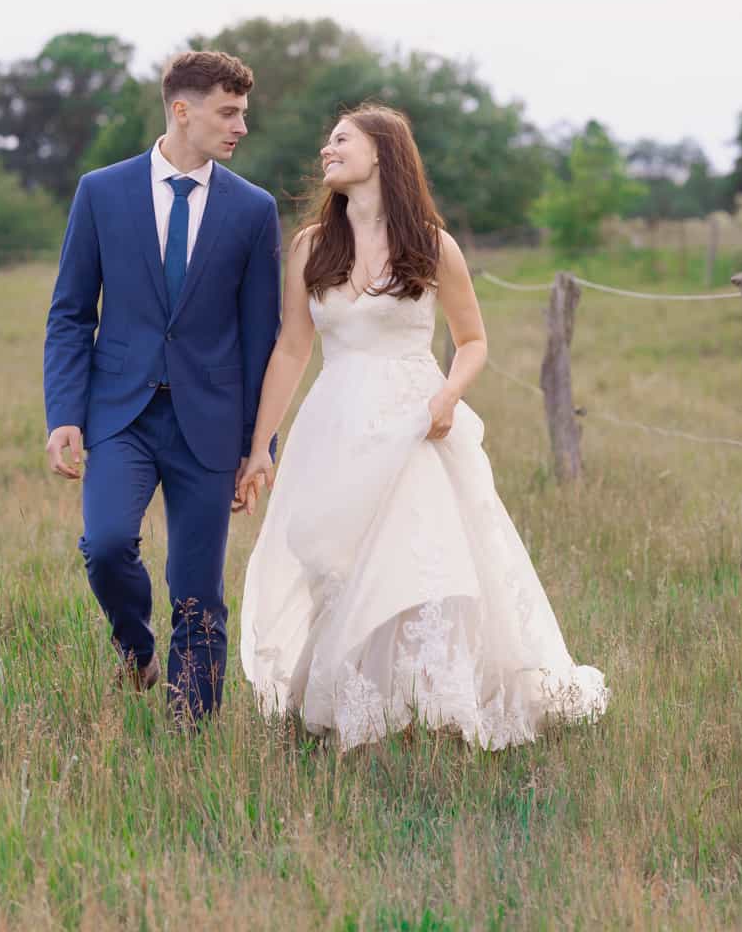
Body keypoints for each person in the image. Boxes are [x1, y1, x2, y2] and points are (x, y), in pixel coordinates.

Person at [237, 103, 608, 749]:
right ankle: (350, 696)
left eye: (341, 140)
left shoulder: (433, 245)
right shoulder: (308, 248)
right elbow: (293, 349)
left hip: (414, 423)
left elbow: (472, 341)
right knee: (335, 560)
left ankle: (431, 704)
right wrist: (260, 447)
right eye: (327, 142)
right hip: (335, 423)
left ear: (382, 152)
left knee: (416, 559)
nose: (326, 150)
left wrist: (449, 394)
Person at [43, 50, 281, 721]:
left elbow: (264, 337)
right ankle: (134, 646)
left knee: (196, 590)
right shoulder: (101, 191)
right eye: (228, 113)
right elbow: (69, 313)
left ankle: (189, 741)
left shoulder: (253, 210)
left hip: (211, 424)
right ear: (183, 111)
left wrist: (258, 446)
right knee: (109, 543)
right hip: (120, 413)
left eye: (243, 113)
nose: (240, 127)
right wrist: (65, 413)